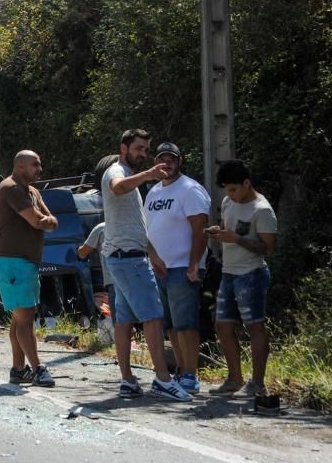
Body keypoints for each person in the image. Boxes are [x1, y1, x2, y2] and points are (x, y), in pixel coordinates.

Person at [101, 129, 192, 401]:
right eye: (139, 148)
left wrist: (152, 254)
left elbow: (136, 225)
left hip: (126, 256)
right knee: (153, 316)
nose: (143, 154)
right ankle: (163, 379)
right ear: (124, 147)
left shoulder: (133, 179)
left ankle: (128, 380)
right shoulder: (117, 172)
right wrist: (148, 174)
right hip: (127, 259)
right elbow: (117, 187)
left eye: (145, 149)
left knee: (125, 321)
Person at [143, 142, 211, 394]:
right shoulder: (153, 192)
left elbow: (200, 230)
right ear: (155, 162)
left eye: (171, 159)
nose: (166, 163)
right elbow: (147, 228)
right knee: (170, 325)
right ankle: (181, 370)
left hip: (183, 268)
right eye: (162, 158)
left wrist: (194, 264)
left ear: (180, 161)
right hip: (159, 268)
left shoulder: (190, 189)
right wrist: (152, 256)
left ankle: (191, 375)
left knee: (186, 324)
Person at [207, 160, 277, 398]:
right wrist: (218, 233)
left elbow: (267, 248)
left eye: (234, 189)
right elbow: (228, 229)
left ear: (247, 184)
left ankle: (257, 382)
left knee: (254, 326)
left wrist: (235, 239)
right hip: (229, 272)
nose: (230, 195)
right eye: (227, 190)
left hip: (252, 274)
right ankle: (234, 378)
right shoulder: (228, 202)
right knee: (223, 325)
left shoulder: (262, 210)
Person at [0, 150, 59, 387]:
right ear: (20, 166)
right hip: (13, 262)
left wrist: (46, 220)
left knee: (19, 319)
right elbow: (38, 221)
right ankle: (38, 368)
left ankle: (18, 369)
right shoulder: (11, 188)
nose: (39, 170)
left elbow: (52, 220)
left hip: (24, 263)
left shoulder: (32, 191)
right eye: (35, 165)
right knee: (25, 319)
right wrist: (45, 221)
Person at [77, 222, 114, 322]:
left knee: (122, 321)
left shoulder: (101, 228)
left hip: (113, 281)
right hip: (138, 276)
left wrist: (77, 250)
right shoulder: (138, 224)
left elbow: (82, 254)